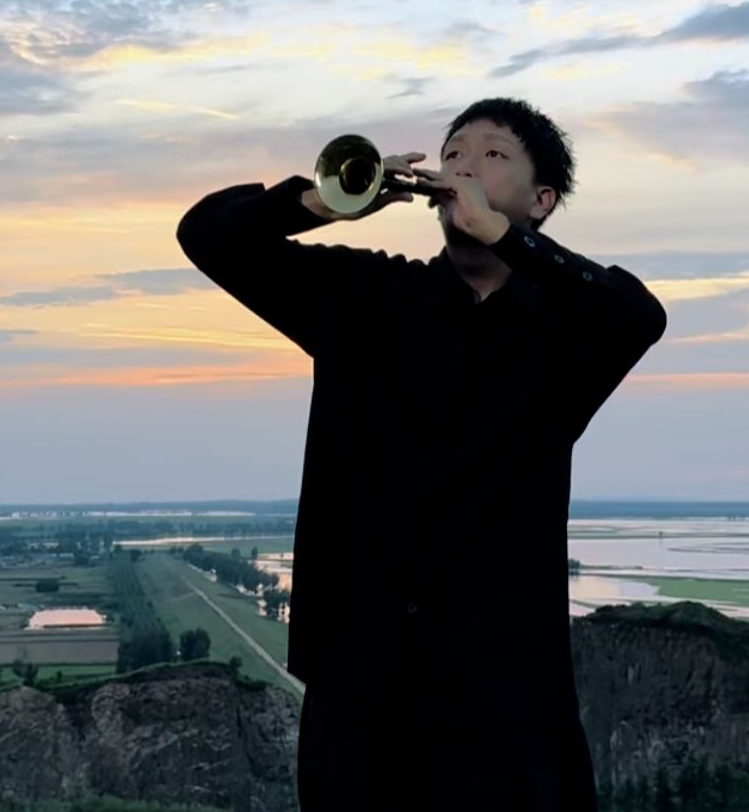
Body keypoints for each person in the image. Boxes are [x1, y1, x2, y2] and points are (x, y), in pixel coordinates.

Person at [176, 97, 667, 810]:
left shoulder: (566, 334)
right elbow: (207, 235)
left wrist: (504, 239)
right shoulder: (368, 296)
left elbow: (639, 315)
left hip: (505, 709)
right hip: (358, 700)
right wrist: (322, 202)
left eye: (492, 154)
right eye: (454, 152)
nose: (463, 166)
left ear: (542, 201)